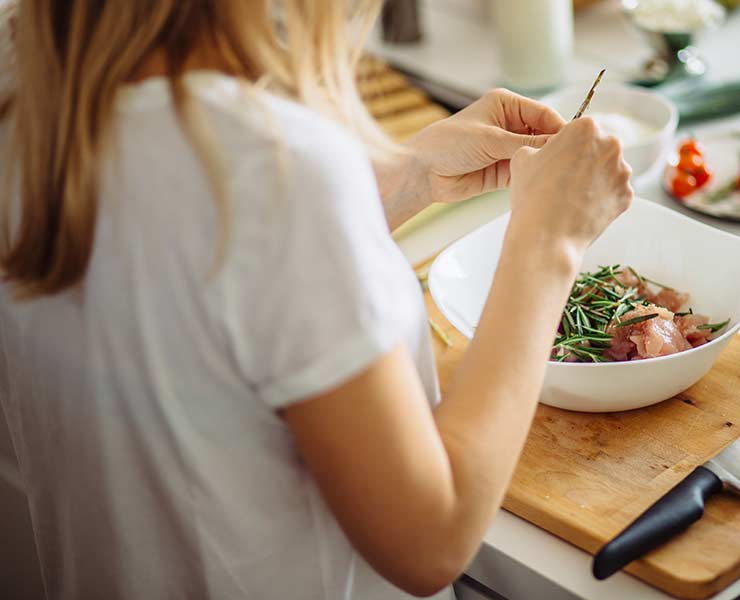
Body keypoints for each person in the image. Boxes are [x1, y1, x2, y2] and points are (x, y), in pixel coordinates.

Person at [0, 2, 632, 599]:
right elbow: (430, 539)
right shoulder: (274, 170)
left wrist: (408, 174)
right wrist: (549, 241)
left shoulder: (27, 99)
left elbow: (212, 286)